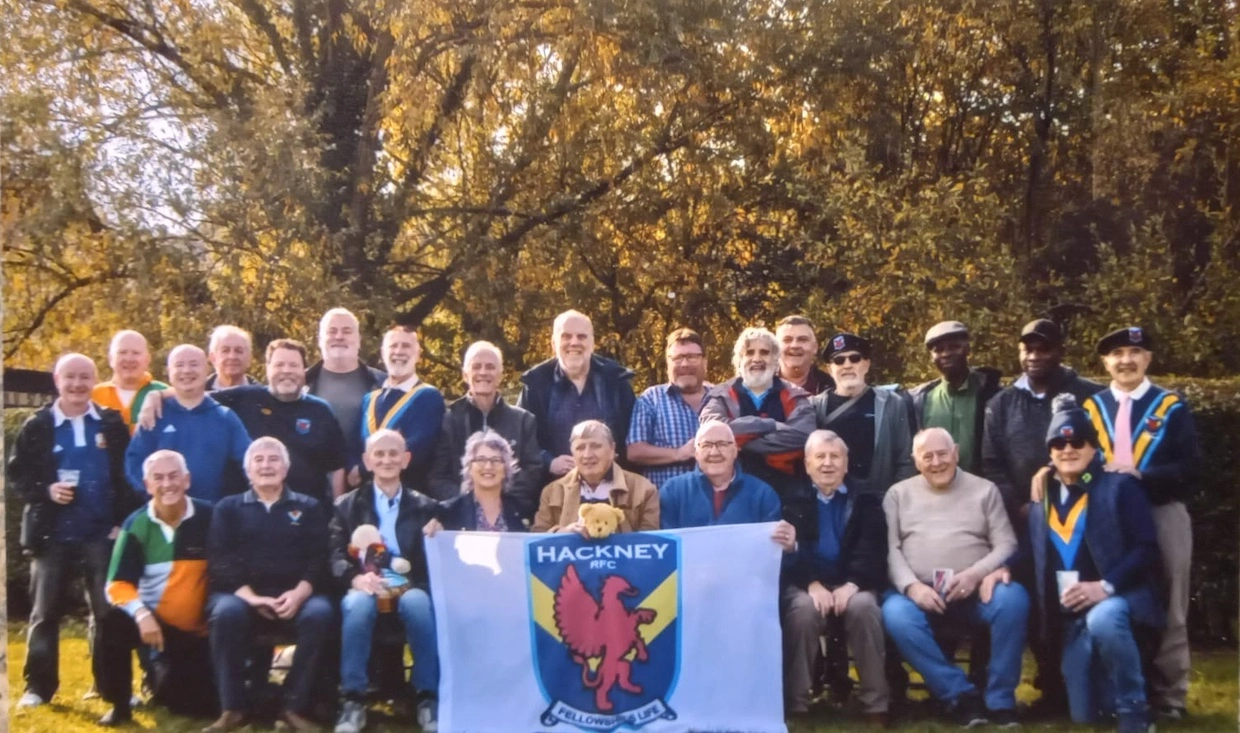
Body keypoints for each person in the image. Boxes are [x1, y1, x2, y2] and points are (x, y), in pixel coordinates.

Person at [981, 318, 1103, 715]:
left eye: (1043, 348)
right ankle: (1051, 688)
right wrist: (1020, 505)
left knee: (1080, 600)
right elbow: (991, 464)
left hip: (1083, 517)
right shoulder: (1000, 403)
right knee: (1038, 605)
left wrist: (1062, 479)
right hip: (1028, 520)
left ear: (1060, 351)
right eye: (1027, 349)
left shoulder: (1088, 395)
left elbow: (1099, 454)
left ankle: (1091, 688)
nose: (1034, 356)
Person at [1082, 326, 1201, 720]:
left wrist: (1142, 476)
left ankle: (1169, 697)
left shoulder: (1170, 406)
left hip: (1161, 511)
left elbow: (1192, 468)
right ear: (1105, 362)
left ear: (1148, 359)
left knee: (1170, 604)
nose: (1125, 360)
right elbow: (1076, 466)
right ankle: (1122, 690)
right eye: (1116, 353)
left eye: (1134, 352)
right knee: (1115, 598)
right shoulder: (1091, 408)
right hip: (1107, 520)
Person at [1029, 396, 1163, 733]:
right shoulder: (1042, 494)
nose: (1068, 449)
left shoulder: (1120, 486)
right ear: (1050, 451)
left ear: (1093, 447)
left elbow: (1146, 548)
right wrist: (998, 569)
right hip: (1071, 617)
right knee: (1084, 715)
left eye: (1078, 442)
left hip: (1117, 600)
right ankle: (1105, 692)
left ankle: (1135, 709)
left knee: (1104, 616)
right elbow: (1028, 552)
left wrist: (1104, 587)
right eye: (1059, 443)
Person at [9, 353, 134, 709]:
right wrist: (46, 490)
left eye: (85, 377)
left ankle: (111, 689)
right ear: (57, 380)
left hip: (100, 533)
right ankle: (38, 688)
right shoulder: (39, 424)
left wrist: (119, 525)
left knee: (107, 613)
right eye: (70, 377)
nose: (78, 384)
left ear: (95, 380)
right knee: (45, 613)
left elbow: (126, 477)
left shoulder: (110, 423)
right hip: (51, 535)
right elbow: (18, 474)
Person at [881, 428, 1025, 728]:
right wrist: (912, 587)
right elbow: (891, 549)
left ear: (956, 453)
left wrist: (977, 574)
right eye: (927, 456)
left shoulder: (985, 490)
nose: (936, 462)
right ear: (915, 461)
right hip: (919, 594)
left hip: (974, 592)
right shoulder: (897, 494)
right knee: (895, 613)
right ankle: (960, 695)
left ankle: (1000, 701)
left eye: (942, 454)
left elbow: (1006, 543)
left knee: (1014, 600)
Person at [204, 437, 334, 732]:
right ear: (247, 470)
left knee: (321, 613)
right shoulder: (228, 508)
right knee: (225, 612)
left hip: (296, 595)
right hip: (241, 596)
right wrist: (251, 599)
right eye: (259, 460)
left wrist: (299, 593)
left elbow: (318, 558)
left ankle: (293, 707)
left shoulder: (309, 506)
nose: (266, 465)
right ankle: (234, 708)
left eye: (274, 459)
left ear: (285, 468)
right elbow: (221, 560)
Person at [139, 338, 347, 505]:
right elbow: (194, 393)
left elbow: (336, 466)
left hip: (308, 512)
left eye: (293, 365)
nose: (286, 371)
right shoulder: (245, 397)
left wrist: (338, 508)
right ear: (267, 368)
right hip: (253, 511)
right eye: (279, 364)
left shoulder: (320, 410)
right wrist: (157, 396)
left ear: (304, 369)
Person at [330, 429, 441, 733]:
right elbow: (336, 553)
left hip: (410, 584)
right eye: (379, 454)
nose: (387, 459)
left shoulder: (426, 506)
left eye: (394, 453)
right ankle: (353, 699)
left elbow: (431, 561)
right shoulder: (346, 505)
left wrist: (435, 538)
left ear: (406, 460)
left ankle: (426, 697)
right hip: (365, 582)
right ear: (367, 460)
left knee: (420, 605)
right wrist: (355, 579)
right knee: (356, 607)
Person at [95, 450, 216, 725]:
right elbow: (116, 584)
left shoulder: (210, 516)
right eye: (158, 478)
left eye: (174, 476)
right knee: (112, 622)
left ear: (187, 480)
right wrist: (141, 614)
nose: (167, 484)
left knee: (190, 708)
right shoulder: (136, 524)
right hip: (154, 626)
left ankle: (159, 680)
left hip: (199, 634)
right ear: (147, 485)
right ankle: (120, 706)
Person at [781, 431, 889, 724]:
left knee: (865, 608)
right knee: (802, 611)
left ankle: (875, 703)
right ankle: (797, 704)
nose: (827, 464)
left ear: (845, 462)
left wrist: (852, 585)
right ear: (807, 464)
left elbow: (872, 548)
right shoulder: (792, 499)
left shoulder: (867, 498)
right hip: (807, 583)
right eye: (820, 457)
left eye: (834, 456)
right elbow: (789, 553)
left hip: (854, 583)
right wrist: (812, 583)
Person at [428, 341, 543, 519]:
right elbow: (437, 477)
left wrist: (497, 501)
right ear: (465, 375)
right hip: (460, 519)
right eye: (476, 367)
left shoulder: (524, 421)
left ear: (500, 375)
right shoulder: (449, 420)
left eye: (490, 367)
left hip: (510, 517)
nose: (483, 372)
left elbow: (532, 472)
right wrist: (465, 502)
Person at [125, 345, 251, 502]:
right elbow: (134, 464)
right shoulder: (154, 414)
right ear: (169, 372)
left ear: (206, 370)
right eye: (179, 365)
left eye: (193, 364)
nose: (186, 371)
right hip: (164, 514)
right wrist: (158, 496)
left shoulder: (224, 417)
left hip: (209, 516)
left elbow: (249, 462)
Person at [518, 310, 637, 477]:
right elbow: (521, 438)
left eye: (581, 337)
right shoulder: (536, 384)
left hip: (609, 489)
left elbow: (633, 437)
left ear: (593, 343)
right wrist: (548, 461)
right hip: (553, 491)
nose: (574, 343)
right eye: (566, 336)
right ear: (553, 344)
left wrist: (616, 455)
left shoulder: (616, 382)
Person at [700, 327, 814, 498]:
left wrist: (742, 446)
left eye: (765, 352)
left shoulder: (796, 396)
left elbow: (802, 436)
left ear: (776, 360)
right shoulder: (720, 395)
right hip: (732, 490)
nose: (757, 359)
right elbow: (712, 429)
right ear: (739, 360)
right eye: (749, 353)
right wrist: (770, 425)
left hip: (785, 491)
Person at [658, 421, 797, 549]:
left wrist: (789, 546)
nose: (714, 452)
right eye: (706, 445)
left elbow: (774, 557)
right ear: (696, 453)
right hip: (688, 575)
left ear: (736, 450)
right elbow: (665, 550)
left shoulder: (762, 494)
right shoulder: (673, 491)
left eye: (722, 444)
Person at [809, 333, 915, 495]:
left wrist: (896, 500)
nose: (847, 365)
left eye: (855, 358)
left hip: (877, 501)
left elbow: (905, 461)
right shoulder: (815, 407)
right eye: (839, 360)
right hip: (831, 499)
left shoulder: (892, 403)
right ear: (830, 369)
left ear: (866, 364)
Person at [306, 308, 387, 486]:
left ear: (359, 340)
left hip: (366, 484)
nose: (339, 336)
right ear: (319, 340)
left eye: (347, 331)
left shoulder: (383, 384)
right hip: (312, 485)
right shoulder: (301, 383)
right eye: (332, 331)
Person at [359, 325, 446, 491]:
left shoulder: (428, 396)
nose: (399, 351)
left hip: (409, 495)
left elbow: (418, 449)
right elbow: (356, 444)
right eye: (393, 346)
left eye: (406, 346)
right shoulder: (369, 399)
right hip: (369, 495)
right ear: (383, 353)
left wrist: (363, 468)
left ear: (418, 354)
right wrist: (353, 466)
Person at [533, 420, 660, 534]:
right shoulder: (552, 492)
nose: (587, 455)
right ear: (572, 453)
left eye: (595, 446)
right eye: (580, 448)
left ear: (612, 449)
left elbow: (651, 543)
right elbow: (535, 543)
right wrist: (561, 534)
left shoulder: (644, 490)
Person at [908, 321, 1002, 474]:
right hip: (933, 490)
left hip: (980, 489)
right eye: (939, 350)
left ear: (967, 349)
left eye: (954, 347)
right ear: (931, 356)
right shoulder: (919, 399)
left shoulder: (992, 395)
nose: (946, 354)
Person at [627, 328, 711, 488]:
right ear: (668, 364)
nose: (685, 364)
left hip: (715, 505)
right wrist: (678, 454)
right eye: (678, 358)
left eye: (692, 357)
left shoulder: (721, 397)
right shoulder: (651, 398)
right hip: (664, 505)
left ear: (705, 362)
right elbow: (634, 451)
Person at [425, 429, 531, 533]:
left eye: (496, 460)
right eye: (481, 460)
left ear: (505, 469)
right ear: (469, 467)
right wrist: (433, 531)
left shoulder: (521, 510)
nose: (488, 466)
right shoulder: (448, 512)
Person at [92, 329, 169, 433]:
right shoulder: (94, 396)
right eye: (122, 352)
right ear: (110, 359)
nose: (129, 359)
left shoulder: (164, 393)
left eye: (136, 353)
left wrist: (162, 394)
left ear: (147, 359)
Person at [775, 315, 834, 395]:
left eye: (802, 339)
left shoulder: (833, 388)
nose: (794, 345)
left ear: (815, 347)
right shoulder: (757, 387)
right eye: (787, 340)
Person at [205, 325, 258, 391]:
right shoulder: (196, 395)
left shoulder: (264, 397)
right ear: (213, 357)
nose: (232, 356)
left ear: (249, 358)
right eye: (225, 350)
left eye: (239, 351)